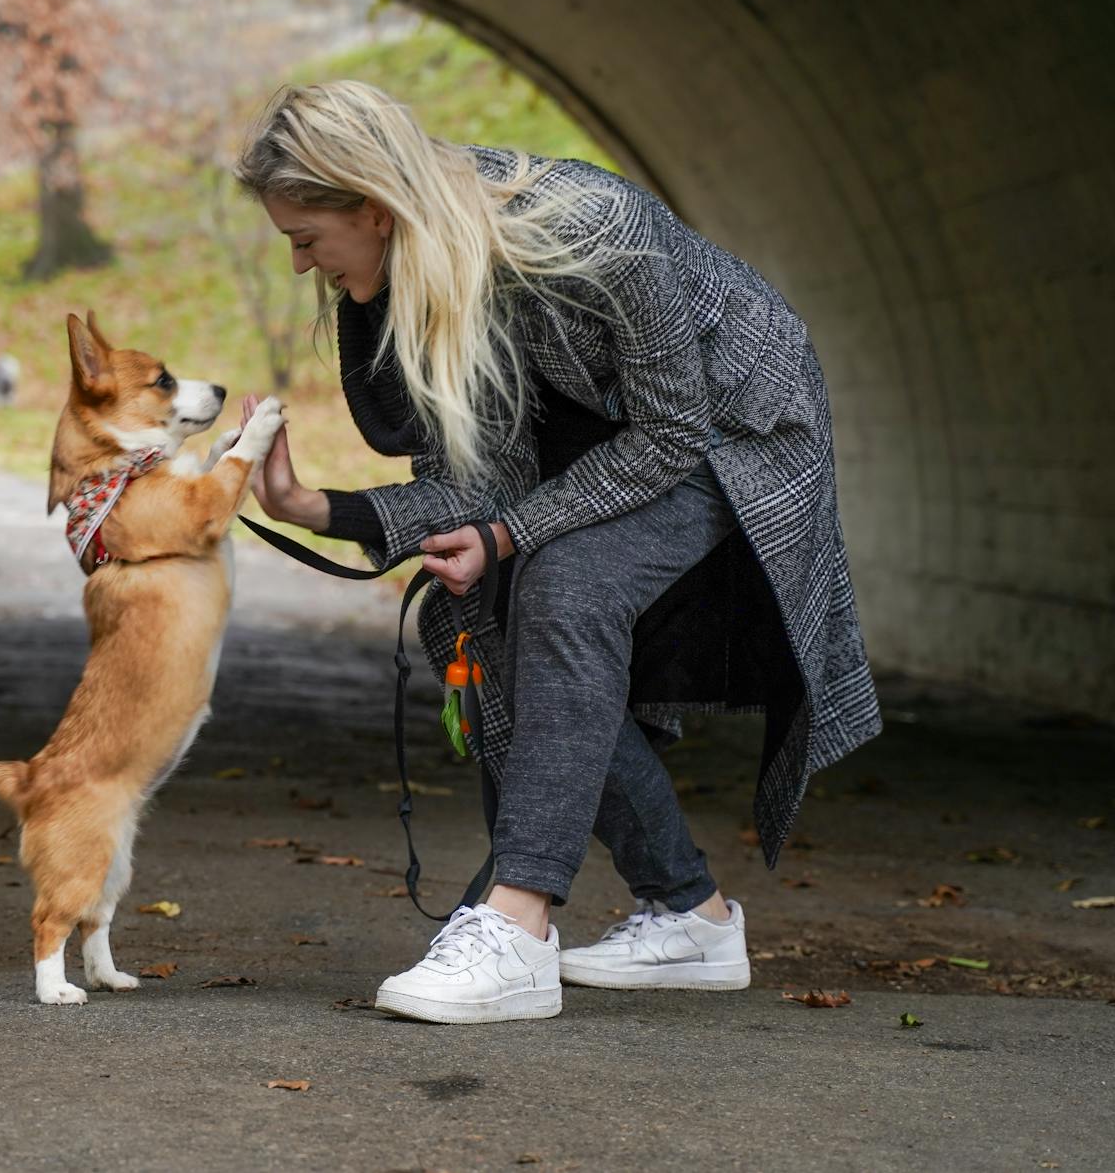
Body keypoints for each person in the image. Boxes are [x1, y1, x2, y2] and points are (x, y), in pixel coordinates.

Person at [233, 81, 881, 1024]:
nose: (300, 264)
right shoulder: (434, 270)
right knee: (483, 615)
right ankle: (691, 912)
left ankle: (520, 922)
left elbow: (669, 434)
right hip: (610, 434)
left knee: (566, 585)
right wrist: (309, 505)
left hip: (735, 429)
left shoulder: (592, 228)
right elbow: (481, 483)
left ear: (372, 207)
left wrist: (510, 535)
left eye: (305, 238)